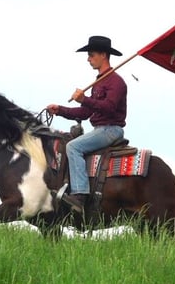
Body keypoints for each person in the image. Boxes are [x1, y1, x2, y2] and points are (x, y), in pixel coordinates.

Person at [46, 35, 127, 213]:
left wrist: (85, 99)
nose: (88, 58)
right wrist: (59, 109)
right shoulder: (98, 83)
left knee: (73, 147)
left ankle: (80, 195)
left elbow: (109, 108)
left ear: (103, 55)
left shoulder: (116, 82)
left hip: (111, 129)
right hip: (100, 129)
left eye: (91, 54)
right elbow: (85, 112)